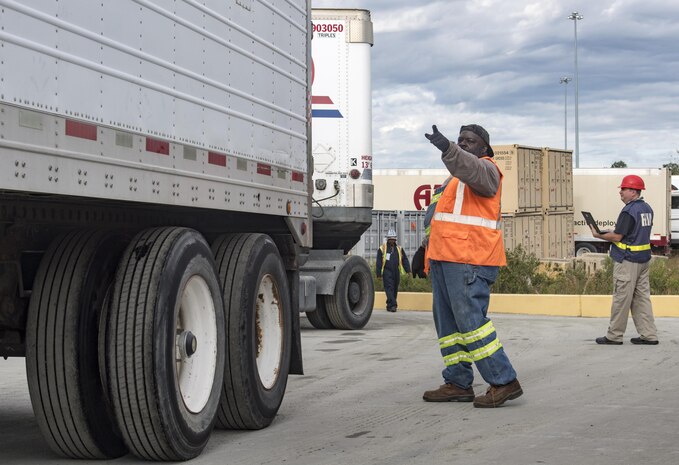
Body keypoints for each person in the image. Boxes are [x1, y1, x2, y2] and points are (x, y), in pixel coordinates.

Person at [421, 124, 522, 408]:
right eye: (460, 140)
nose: (463, 144)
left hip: (469, 260)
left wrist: (448, 148)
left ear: (484, 149)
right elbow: (436, 218)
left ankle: (504, 381)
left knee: (472, 323)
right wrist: (422, 249)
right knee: (449, 325)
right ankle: (457, 382)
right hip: (445, 258)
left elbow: (472, 170)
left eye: (470, 141)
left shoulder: (487, 170)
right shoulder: (453, 180)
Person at [590, 174, 659, 345]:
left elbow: (619, 236)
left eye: (623, 189)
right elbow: (635, 233)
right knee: (642, 299)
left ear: (634, 191)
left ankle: (614, 336)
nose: (620, 192)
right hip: (643, 260)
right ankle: (649, 335)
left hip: (628, 261)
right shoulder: (647, 208)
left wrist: (598, 235)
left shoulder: (629, 210)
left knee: (622, 298)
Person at [376, 229, 410, 312]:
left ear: (395, 239)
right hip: (387, 272)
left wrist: (408, 270)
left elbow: (404, 259)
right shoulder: (382, 249)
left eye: (393, 239)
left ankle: (389, 305)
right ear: (388, 239)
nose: (392, 240)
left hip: (396, 271)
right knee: (389, 288)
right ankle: (393, 305)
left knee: (394, 289)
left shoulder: (399, 249)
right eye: (390, 239)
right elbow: (379, 262)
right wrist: (378, 274)